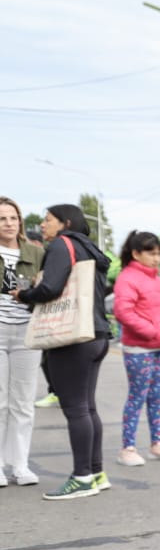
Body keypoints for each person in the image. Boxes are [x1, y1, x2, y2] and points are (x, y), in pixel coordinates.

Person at [12, 205, 112, 499]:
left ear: (65, 223)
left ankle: (81, 477)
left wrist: (25, 294)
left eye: (47, 220)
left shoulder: (61, 245)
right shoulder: (90, 248)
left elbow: (51, 288)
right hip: (97, 335)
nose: (42, 225)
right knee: (88, 407)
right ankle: (95, 473)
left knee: (76, 408)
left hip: (72, 337)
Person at [111, 231, 160, 468]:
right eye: (151, 253)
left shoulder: (156, 279)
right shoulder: (128, 278)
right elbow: (123, 312)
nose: (157, 258)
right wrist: (150, 331)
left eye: (159, 253)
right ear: (136, 254)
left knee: (156, 396)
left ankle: (157, 444)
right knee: (137, 396)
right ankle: (127, 448)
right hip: (139, 348)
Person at [0, 196, 44, 487]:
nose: (9, 223)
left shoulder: (36, 252)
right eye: (2, 219)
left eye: (13, 218)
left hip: (27, 332)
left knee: (24, 402)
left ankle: (20, 465)